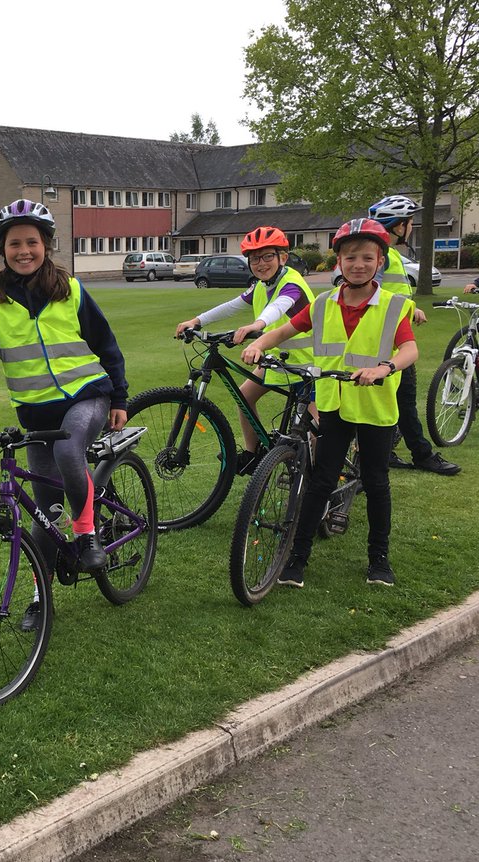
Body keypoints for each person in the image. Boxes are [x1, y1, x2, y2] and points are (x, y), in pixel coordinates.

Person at [0, 199, 128, 581]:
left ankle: (87, 532)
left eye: (32, 242)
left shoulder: (70, 291)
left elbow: (105, 342)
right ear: (2, 251)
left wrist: (119, 397)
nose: (24, 251)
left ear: (46, 246)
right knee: (46, 513)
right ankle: (42, 599)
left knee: (69, 449)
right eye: (14, 244)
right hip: (37, 414)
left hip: (86, 397)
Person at [242, 218, 419, 588]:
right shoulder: (323, 304)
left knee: (376, 481)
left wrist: (384, 367)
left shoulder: (393, 305)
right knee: (320, 481)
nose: (358, 264)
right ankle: (297, 560)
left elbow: (410, 349)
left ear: (380, 262)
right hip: (333, 404)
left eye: (367, 258)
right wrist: (260, 343)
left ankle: (379, 559)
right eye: (350, 257)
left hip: (375, 407)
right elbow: (286, 329)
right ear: (338, 261)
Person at [174, 226, 314, 474]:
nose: (261, 264)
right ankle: (253, 454)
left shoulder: (292, 283)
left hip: (310, 365)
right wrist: (197, 320)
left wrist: (256, 326)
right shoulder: (261, 284)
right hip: (279, 361)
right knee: (244, 396)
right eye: (255, 258)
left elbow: (280, 307)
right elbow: (233, 305)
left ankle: (320, 481)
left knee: (315, 434)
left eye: (268, 256)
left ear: (282, 257)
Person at [367, 194, 461, 476]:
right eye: (409, 223)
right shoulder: (381, 255)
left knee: (393, 400)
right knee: (405, 400)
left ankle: (386, 451)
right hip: (386, 339)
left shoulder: (388, 253)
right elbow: (373, 292)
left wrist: (409, 308)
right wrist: (410, 308)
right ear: (398, 225)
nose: (411, 228)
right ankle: (421, 454)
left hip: (391, 333)